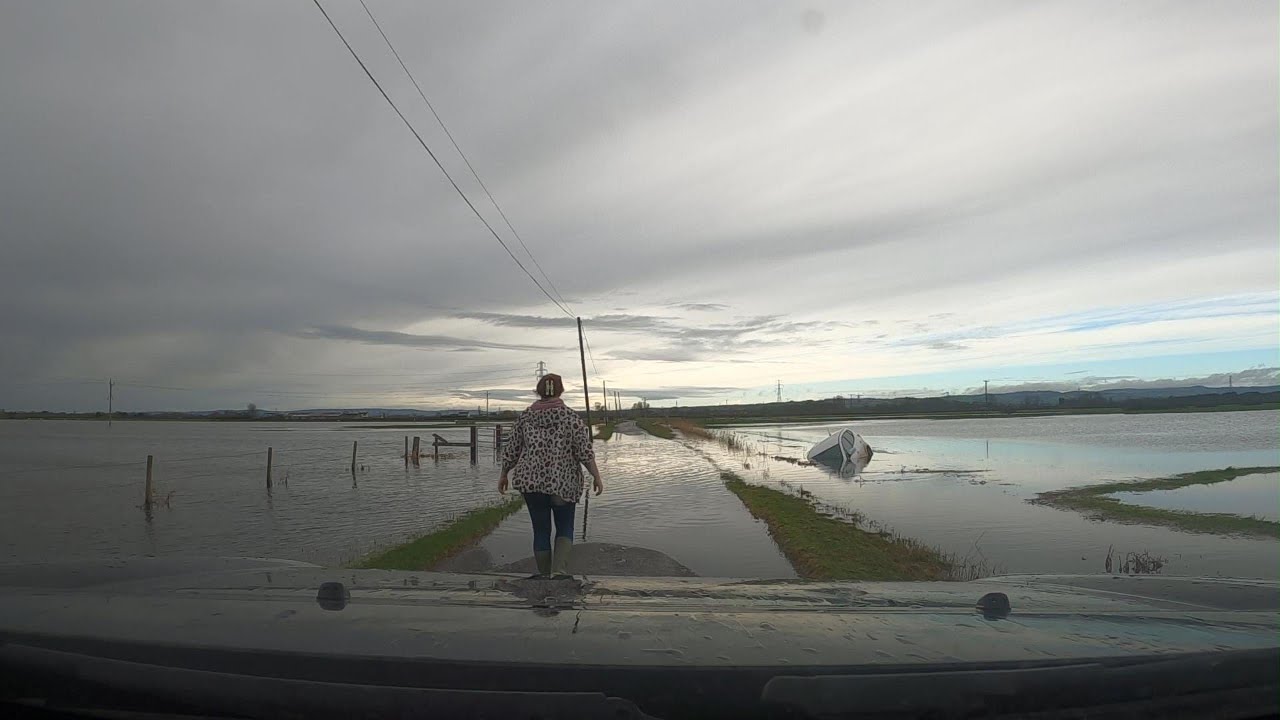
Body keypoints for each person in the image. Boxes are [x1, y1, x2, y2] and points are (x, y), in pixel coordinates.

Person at [498, 373, 603, 578]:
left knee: (540, 530)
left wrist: (504, 474)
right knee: (564, 526)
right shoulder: (570, 417)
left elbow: (512, 449)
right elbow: (584, 452)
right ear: (561, 391)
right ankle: (559, 572)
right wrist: (596, 476)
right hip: (563, 482)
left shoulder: (525, 417)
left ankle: (544, 576)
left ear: (538, 391)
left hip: (531, 483)